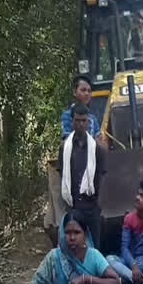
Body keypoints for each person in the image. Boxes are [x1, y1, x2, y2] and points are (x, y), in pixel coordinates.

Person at [58, 104, 107, 248]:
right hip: (73, 207)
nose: (80, 124)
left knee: (94, 248)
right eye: (77, 120)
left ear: (88, 122)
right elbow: (62, 176)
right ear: (72, 122)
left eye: (84, 121)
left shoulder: (97, 148)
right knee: (73, 247)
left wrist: (99, 204)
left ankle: (93, 272)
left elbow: (102, 175)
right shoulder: (64, 148)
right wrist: (66, 205)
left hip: (92, 206)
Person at [61, 75, 100, 140]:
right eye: (83, 90)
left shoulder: (93, 119)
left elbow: (99, 140)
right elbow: (67, 141)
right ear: (74, 92)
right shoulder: (67, 116)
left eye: (89, 91)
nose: (87, 93)